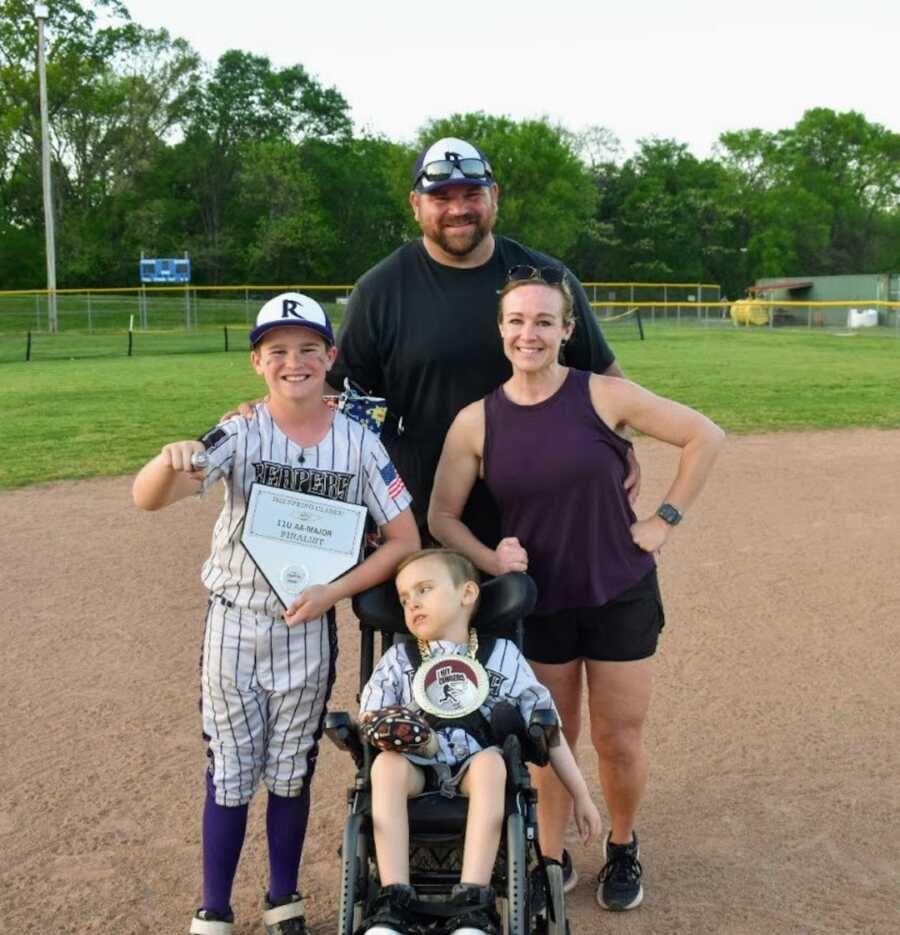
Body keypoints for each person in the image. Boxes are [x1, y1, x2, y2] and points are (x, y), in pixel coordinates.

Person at [428, 271, 725, 911]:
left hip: (619, 590)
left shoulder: (604, 395)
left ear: (567, 330)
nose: (528, 333)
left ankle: (621, 846)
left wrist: (663, 520)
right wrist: (491, 557)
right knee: (549, 736)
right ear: (501, 330)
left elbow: (706, 435)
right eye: (516, 321)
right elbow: (442, 516)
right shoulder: (476, 421)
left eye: (543, 321)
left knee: (619, 738)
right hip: (540, 601)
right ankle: (552, 855)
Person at [132, 293, 420, 935]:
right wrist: (167, 458)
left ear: (331, 358)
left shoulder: (358, 442)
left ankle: (283, 897)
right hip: (236, 621)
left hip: (309, 624)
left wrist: (335, 591)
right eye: (279, 351)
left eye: (309, 349)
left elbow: (404, 538)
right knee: (232, 766)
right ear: (258, 362)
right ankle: (214, 905)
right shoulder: (239, 432)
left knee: (292, 763)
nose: (295, 362)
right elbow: (149, 499)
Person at [327, 136, 640, 545]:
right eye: (441, 197)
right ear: (416, 205)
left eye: (472, 194)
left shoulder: (547, 279)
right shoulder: (381, 290)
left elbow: (605, 376)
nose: (459, 209)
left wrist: (620, 444)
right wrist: (268, 413)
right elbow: (338, 393)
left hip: (543, 508)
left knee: (548, 606)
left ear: (494, 196)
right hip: (424, 512)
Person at [358, 548, 603, 935]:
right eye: (405, 598)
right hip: (416, 766)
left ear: (467, 594)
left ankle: (472, 903)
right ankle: (393, 901)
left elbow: (547, 727)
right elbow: (369, 719)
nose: (413, 602)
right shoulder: (398, 660)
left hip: (477, 765)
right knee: (385, 765)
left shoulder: (502, 655)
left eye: (424, 589)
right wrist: (392, 729)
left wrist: (582, 795)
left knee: (492, 764)